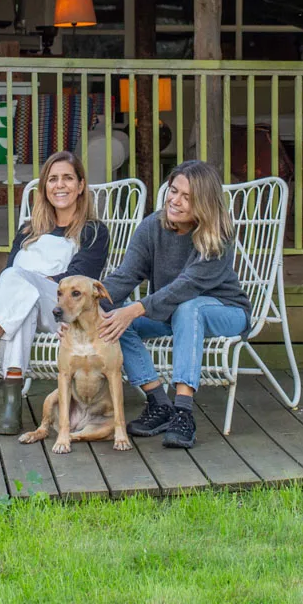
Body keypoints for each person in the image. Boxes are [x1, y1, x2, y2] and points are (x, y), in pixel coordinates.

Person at [0, 151, 110, 434]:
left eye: (67, 178)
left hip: (64, 313)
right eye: (53, 179)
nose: (60, 185)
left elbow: (78, 280)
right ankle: (11, 408)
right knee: (21, 302)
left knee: (16, 279)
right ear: (44, 188)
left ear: (80, 186)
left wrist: (23, 279)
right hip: (26, 310)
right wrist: (16, 281)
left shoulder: (93, 231)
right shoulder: (29, 229)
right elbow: (7, 278)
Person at [98, 160, 249, 450]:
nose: (175, 201)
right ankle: (159, 403)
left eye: (187, 197)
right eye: (173, 191)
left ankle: (183, 412)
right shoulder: (152, 227)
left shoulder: (219, 235)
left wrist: (135, 308)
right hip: (171, 313)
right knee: (112, 318)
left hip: (226, 312)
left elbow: (186, 287)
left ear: (203, 203)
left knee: (189, 306)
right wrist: (88, 305)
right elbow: (125, 276)